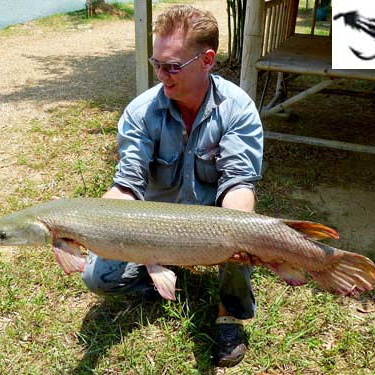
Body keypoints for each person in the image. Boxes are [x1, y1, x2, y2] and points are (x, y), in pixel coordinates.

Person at [81, 5, 263, 368]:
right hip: (156, 228)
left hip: (214, 223)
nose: (162, 75)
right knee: (97, 277)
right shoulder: (140, 112)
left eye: (173, 66)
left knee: (241, 228)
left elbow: (238, 182)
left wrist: (236, 232)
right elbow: (127, 185)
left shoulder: (237, 109)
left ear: (207, 60)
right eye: (157, 64)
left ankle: (230, 315)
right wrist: (90, 221)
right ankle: (166, 273)